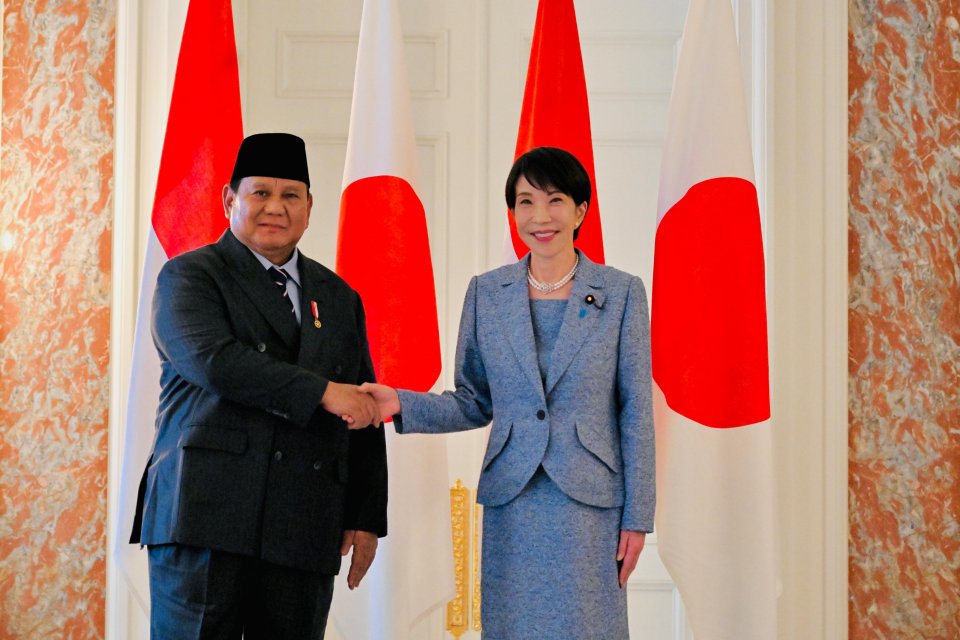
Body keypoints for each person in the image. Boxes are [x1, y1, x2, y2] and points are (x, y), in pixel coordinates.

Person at [360, 146, 655, 639]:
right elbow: (473, 400)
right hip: (512, 501)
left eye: (555, 200)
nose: (540, 217)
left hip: (590, 505)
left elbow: (635, 412)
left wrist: (638, 516)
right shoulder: (486, 293)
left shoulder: (621, 293)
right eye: (525, 202)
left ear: (580, 210)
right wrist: (398, 402)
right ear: (513, 212)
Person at [129, 132, 387, 640]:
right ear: (230, 200)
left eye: (291, 195)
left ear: (310, 208)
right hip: (205, 519)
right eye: (260, 193)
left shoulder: (338, 297)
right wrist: (321, 392)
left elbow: (364, 405)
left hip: (304, 522)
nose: (276, 207)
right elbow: (217, 363)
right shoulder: (190, 276)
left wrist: (365, 515)